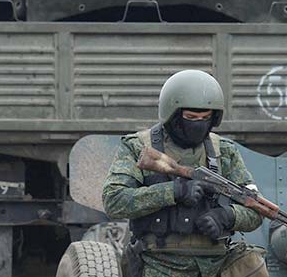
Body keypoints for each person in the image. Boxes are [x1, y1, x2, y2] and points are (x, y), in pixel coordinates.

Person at [102, 70, 265, 277]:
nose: (198, 124)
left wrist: (226, 216)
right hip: (158, 263)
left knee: (254, 265)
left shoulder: (223, 151)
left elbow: (256, 210)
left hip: (217, 264)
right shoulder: (138, 147)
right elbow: (114, 201)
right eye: (190, 117)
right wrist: (173, 191)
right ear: (173, 116)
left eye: (205, 118)